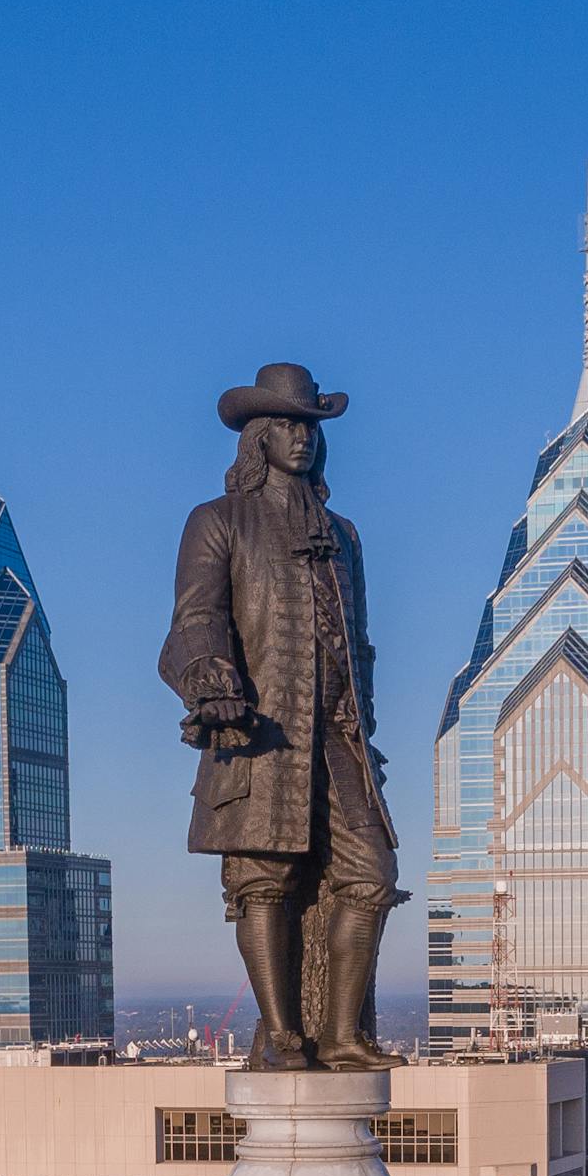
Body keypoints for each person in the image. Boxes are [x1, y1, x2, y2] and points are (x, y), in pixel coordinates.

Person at [161, 362, 401, 1072]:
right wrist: (210, 679)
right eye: (288, 425)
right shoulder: (218, 520)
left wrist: (367, 726)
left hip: (337, 738)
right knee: (262, 878)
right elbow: (194, 620)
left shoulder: (344, 535)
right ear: (259, 437)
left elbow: (359, 645)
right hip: (260, 734)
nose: (302, 439)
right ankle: (282, 1034)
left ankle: (341, 1035)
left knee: (370, 873)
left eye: (311, 427)